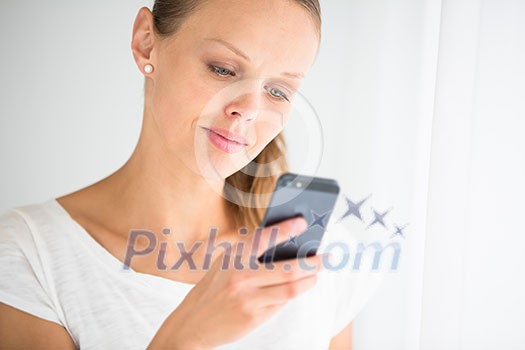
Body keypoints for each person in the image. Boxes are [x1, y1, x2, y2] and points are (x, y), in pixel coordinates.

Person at [0, 1, 367, 348]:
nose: (250, 110)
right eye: (223, 69)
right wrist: (186, 337)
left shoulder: (321, 252)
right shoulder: (30, 256)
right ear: (147, 43)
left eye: (277, 90)